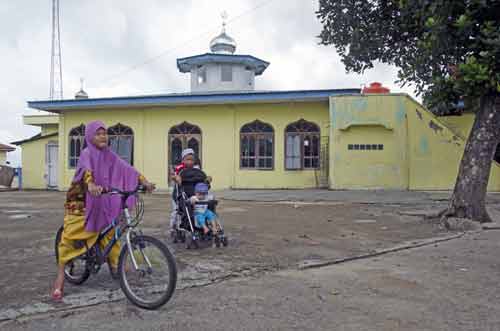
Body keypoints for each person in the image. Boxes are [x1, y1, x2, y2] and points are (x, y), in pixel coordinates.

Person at [51, 121, 154, 301]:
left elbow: (126, 169)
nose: (102, 136)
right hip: (81, 199)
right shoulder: (86, 153)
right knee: (72, 237)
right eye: (98, 133)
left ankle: (116, 264)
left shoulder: (109, 155)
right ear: (90, 136)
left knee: (111, 228)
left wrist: (144, 181)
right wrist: (90, 184)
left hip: (101, 196)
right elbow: (86, 171)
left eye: (105, 133)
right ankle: (60, 278)